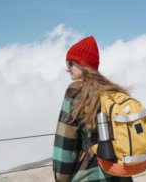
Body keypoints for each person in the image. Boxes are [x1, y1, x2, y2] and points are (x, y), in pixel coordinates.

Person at [53, 36, 133, 182]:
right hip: (121, 176)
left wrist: (61, 179)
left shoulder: (76, 91)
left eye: (71, 63)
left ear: (82, 64)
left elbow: (65, 146)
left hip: (91, 177)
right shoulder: (114, 91)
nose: (67, 68)